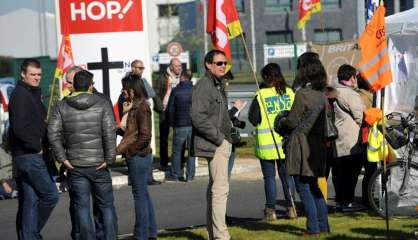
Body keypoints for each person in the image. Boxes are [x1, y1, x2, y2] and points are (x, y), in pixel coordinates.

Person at [48, 70, 118, 240]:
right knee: (106, 206)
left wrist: (62, 159)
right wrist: (109, 159)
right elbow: (110, 133)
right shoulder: (102, 104)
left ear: (73, 85)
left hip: (75, 165)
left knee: (82, 208)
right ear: (89, 86)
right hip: (99, 164)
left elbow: (52, 133)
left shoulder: (61, 105)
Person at [275, 59, 330, 236]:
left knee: (304, 187)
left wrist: (281, 121)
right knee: (315, 187)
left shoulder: (303, 94)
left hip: (302, 143)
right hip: (318, 144)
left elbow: (292, 121)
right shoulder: (322, 95)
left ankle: (313, 228)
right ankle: (323, 226)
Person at [9, 58, 59, 239]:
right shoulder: (20, 94)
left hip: (29, 155)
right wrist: (36, 146)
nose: (37, 78)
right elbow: (19, 127)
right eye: (33, 75)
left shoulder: (31, 93)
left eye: (39, 75)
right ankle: (31, 234)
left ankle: (28, 236)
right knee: (51, 195)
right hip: (29, 155)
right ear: (23, 74)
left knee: (30, 201)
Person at [191, 50, 232, 240]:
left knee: (216, 188)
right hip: (214, 144)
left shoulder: (217, 84)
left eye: (224, 63)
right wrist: (219, 139)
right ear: (208, 65)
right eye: (218, 63)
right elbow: (197, 117)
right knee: (220, 189)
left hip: (220, 142)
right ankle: (221, 235)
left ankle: (213, 233)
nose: (223, 66)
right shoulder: (204, 86)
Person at [248, 63, 297, 221]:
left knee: (269, 178)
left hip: (267, 143)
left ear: (266, 77)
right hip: (287, 141)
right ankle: (292, 208)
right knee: (287, 177)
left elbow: (253, 119)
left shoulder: (261, 94)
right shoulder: (290, 92)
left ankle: (270, 211)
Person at [117, 74, 157, 240]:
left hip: (138, 156)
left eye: (125, 88)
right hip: (138, 155)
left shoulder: (142, 107)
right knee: (143, 194)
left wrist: (130, 151)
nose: (123, 91)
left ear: (132, 90)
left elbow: (145, 135)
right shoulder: (135, 106)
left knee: (139, 195)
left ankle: (141, 234)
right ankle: (150, 232)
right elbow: (132, 133)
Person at [118, 60, 162, 185]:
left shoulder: (143, 82)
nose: (141, 70)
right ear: (132, 68)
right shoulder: (128, 81)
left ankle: (148, 177)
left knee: (146, 146)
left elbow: (151, 94)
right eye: (139, 68)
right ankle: (136, 178)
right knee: (134, 142)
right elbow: (125, 99)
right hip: (132, 117)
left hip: (141, 115)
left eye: (142, 68)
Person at [331, 64, 365, 210]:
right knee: (352, 172)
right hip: (351, 138)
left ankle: (340, 200)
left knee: (339, 172)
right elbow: (360, 116)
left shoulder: (332, 91)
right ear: (351, 77)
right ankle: (347, 201)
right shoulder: (350, 94)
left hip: (336, 137)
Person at [167, 71, 195, 182]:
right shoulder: (195, 90)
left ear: (182, 78)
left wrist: (172, 124)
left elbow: (171, 109)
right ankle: (190, 176)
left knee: (177, 152)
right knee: (192, 152)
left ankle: (176, 175)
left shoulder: (176, 91)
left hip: (179, 125)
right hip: (193, 126)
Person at [158, 58, 183, 170]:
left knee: (179, 136)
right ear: (171, 67)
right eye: (177, 66)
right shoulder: (163, 77)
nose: (179, 68)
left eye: (180, 66)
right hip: (165, 110)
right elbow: (156, 93)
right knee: (164, 137)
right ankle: (164, 162)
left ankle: (179, 161)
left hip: (178, 110)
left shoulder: (183, 77)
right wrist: (160, 107)